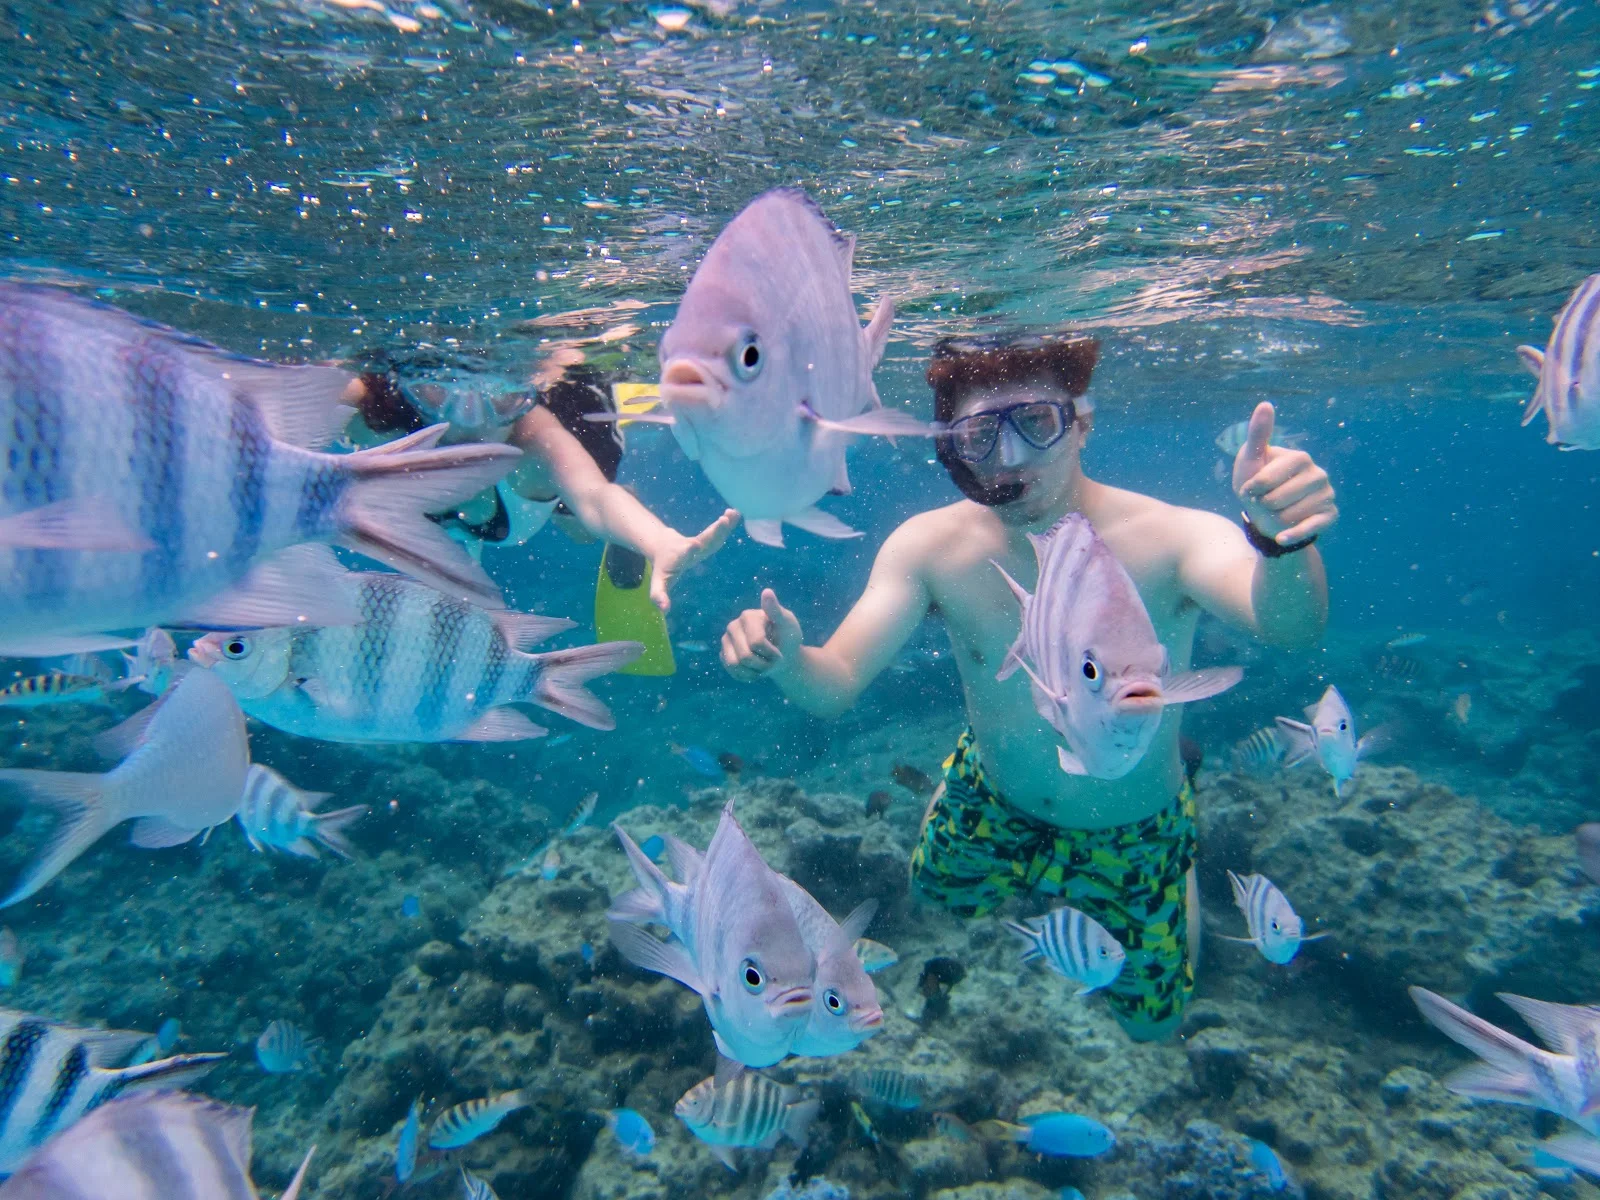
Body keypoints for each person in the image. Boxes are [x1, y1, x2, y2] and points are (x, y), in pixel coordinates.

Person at [718, 333, 1336, 1041]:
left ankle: (1181, 881)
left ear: (1082, 420)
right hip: (996, 798)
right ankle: (957, 784)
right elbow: (836, 684)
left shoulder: (1172, 538)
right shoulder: (932, 548)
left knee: (1154, 1024)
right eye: (979, 435)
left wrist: (1283, 541)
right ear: (951, 446)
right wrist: (787, 658)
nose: (1009, 459)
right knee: (937, 894)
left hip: (1131, 825)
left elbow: (1289, 626)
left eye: (1037, 424)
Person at [352, 359, 738, 672]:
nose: (471, 422)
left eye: (501, 398)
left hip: (544, 477)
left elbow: (596, 498)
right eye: (437, 391)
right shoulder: (378, 417)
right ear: (407, 388)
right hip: (466, 514)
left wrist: (659, 541)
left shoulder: (535, 440)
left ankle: (627, 520)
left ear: (526, 394)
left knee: (583, 528)